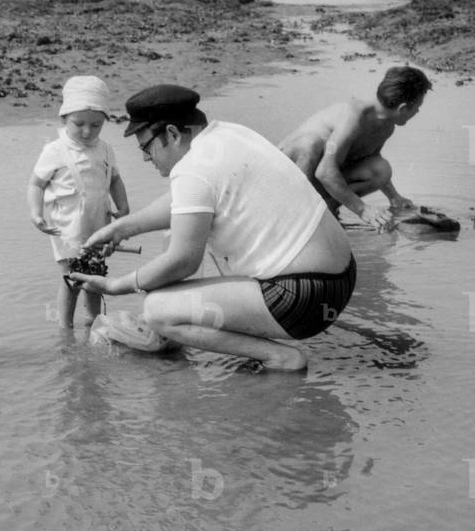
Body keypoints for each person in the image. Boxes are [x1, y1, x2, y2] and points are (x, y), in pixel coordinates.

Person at [70, 86, 355, 371]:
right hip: (339, 278)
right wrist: (121, 228)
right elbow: (185, 201)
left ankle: (279, 357)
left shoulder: (193, 169)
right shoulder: (227, 134)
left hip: (303, 297)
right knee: (190, 238)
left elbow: (184, 262)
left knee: (157, 311)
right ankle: (205, 330)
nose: (146, 158)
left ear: (172, 133)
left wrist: (117, 285)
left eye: (146, 147)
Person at [28, 75, 130, 328]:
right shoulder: (54, 150)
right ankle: (65, 327)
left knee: (95, 276)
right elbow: (36, 184)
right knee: (71, 277)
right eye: (79, 124)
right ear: (64, 119)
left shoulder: (105, 149)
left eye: (95, 125)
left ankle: (93, 320)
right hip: (67, 225)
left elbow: (115, 180)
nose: (87, 131)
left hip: (99, 222)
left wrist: (123, 207)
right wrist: (36, 213)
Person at [278, 66, 432, 233]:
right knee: (310, 143)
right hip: (284, 178)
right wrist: (362, 209)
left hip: (314, 181)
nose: (418, 111)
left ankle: (325, 212)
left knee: (380, 170)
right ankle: (294, 216)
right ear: (403, 108)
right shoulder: (354, 115)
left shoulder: (386, 126)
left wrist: (394, 197)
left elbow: (367, 158)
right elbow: (325, 172)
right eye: (417, 107)